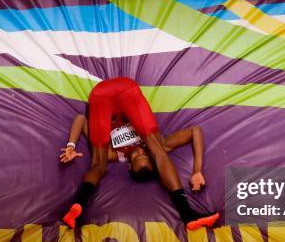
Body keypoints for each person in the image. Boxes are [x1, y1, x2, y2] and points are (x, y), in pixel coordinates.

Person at [59, 77, 219, 230]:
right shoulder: (155, 146)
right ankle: (187, 214)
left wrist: (71, 145)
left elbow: (81, 119)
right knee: (159, 150)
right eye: (145, 155)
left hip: (100, 95)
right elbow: (195, 131)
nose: (141, 150)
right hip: (127, 89)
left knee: (98, 163)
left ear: (129, 165)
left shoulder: (115, 155)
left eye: (137, 156)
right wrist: (197, 170)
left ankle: (79, 203)